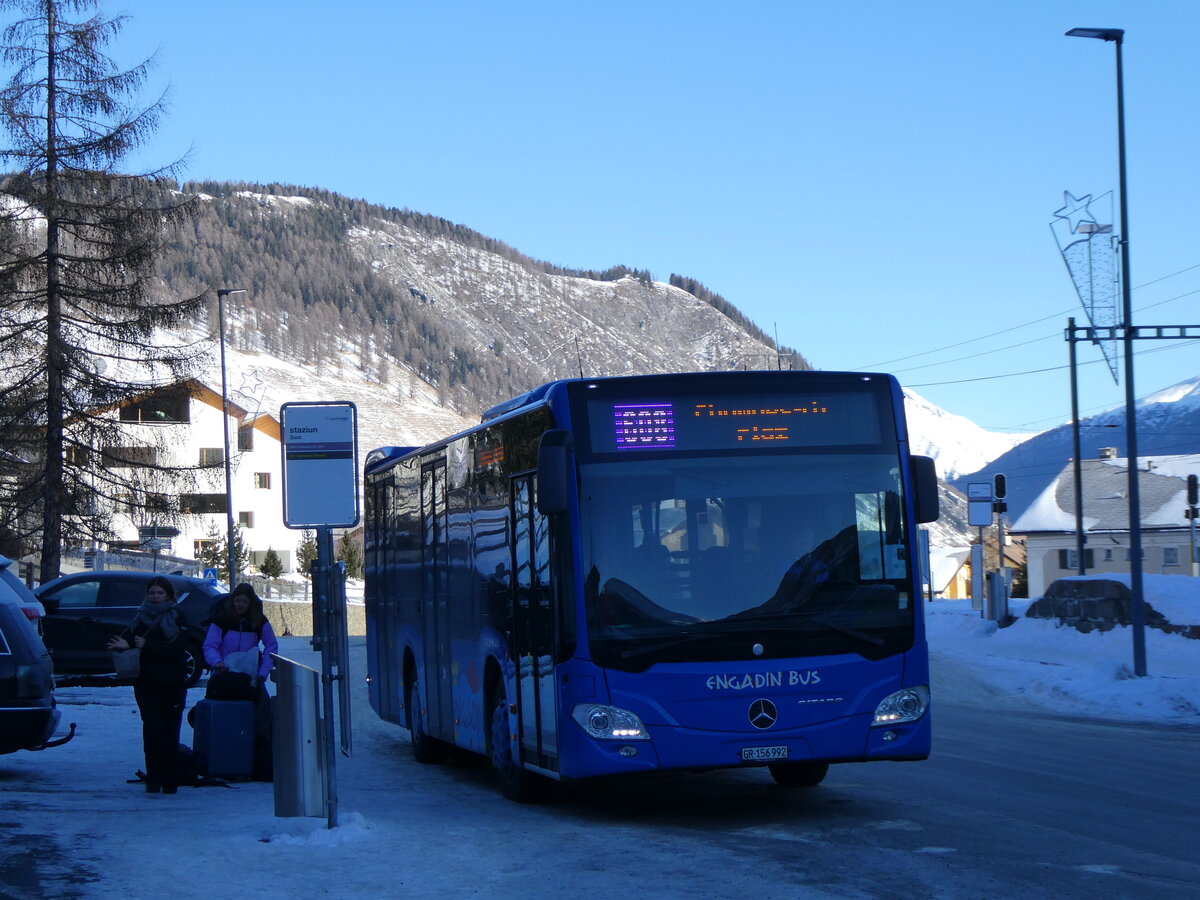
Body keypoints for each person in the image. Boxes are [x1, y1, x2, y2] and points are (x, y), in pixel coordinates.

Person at [106, 575, 189, 794]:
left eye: (160, 593)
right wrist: (126, 645)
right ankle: (153, 778)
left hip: (172, 682)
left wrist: (148, 645)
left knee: (170, 731)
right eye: (152, 593)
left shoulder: (178, 617)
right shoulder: (141, 616)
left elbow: (179, 650)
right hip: (146, 682)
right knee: (152, 729)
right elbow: (135, 642)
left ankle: (170, 781)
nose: (155, 597)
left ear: (168, 595)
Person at [202, 582, 279, 693]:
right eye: (238, 601)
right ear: (233, 600)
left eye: (244, 602)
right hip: (224, 673)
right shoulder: (222, 618)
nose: (240, 605)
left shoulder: (259, 620)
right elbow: (210, 645)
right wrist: (217, 662)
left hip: (249, 676)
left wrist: (263, 672)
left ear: (250, 603)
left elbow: (271, 645)